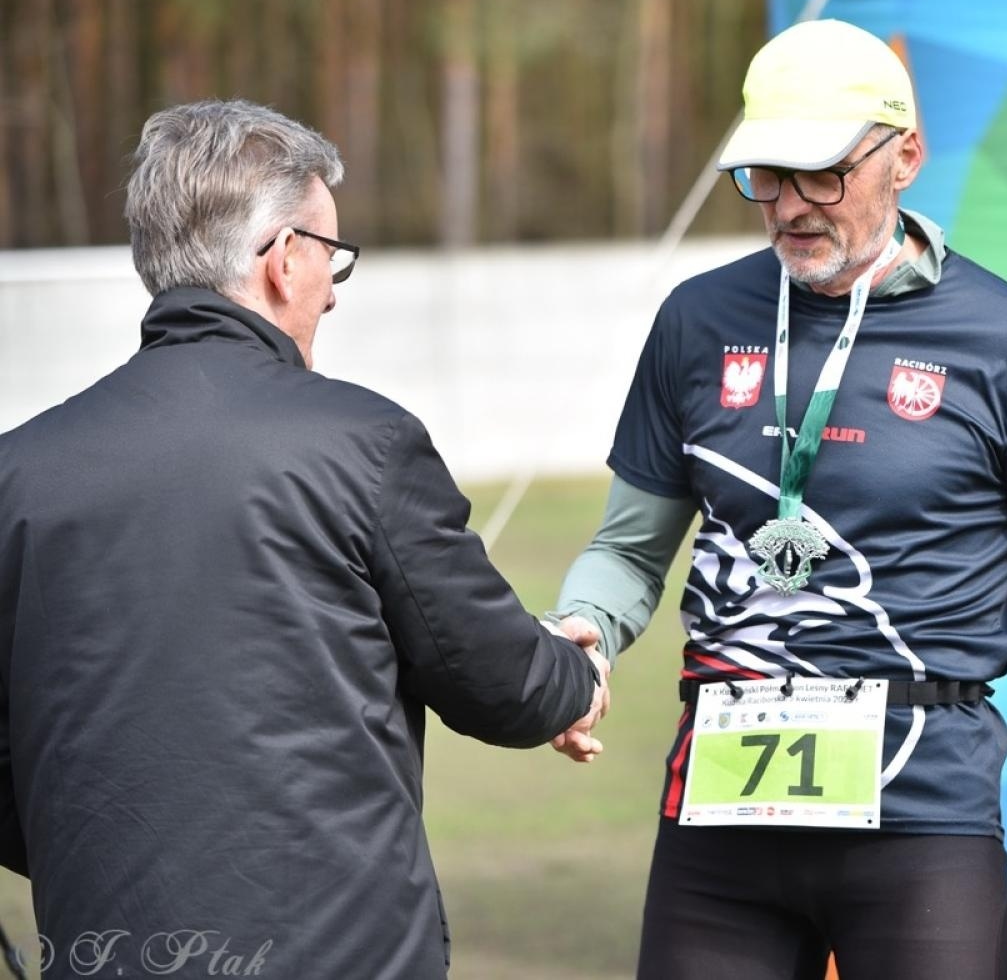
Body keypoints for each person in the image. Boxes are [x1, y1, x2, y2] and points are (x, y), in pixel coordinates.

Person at [0, 100, 608, 979]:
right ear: (285, 259)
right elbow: (500, 683)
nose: (331, 287)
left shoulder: (21, 470)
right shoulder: (365, 441)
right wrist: (574, 675)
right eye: (332, 259)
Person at [551, 18, 1007, 979]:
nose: (791, 206)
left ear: (906, 159)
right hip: (720, 813)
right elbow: (630, 551)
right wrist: (586, 625)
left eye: (822, 175)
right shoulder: (697, 320)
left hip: (922, 816)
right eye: (766, 175)